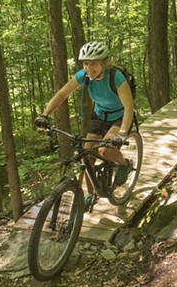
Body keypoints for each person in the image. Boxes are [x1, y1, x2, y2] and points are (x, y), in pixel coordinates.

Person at [34, 41, 134, 209]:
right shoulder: (83, 76)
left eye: (93, 63)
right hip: (99, 115)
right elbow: (62, 94)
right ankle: (90, 194)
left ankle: (125, 165)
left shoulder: (116, 77)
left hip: (119, 116)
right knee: (87, 155)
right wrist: (45, 114)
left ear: (104, 63)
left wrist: (122, 133)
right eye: (85, 63)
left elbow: (129, 107)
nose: (89, 68)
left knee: (106, 149)